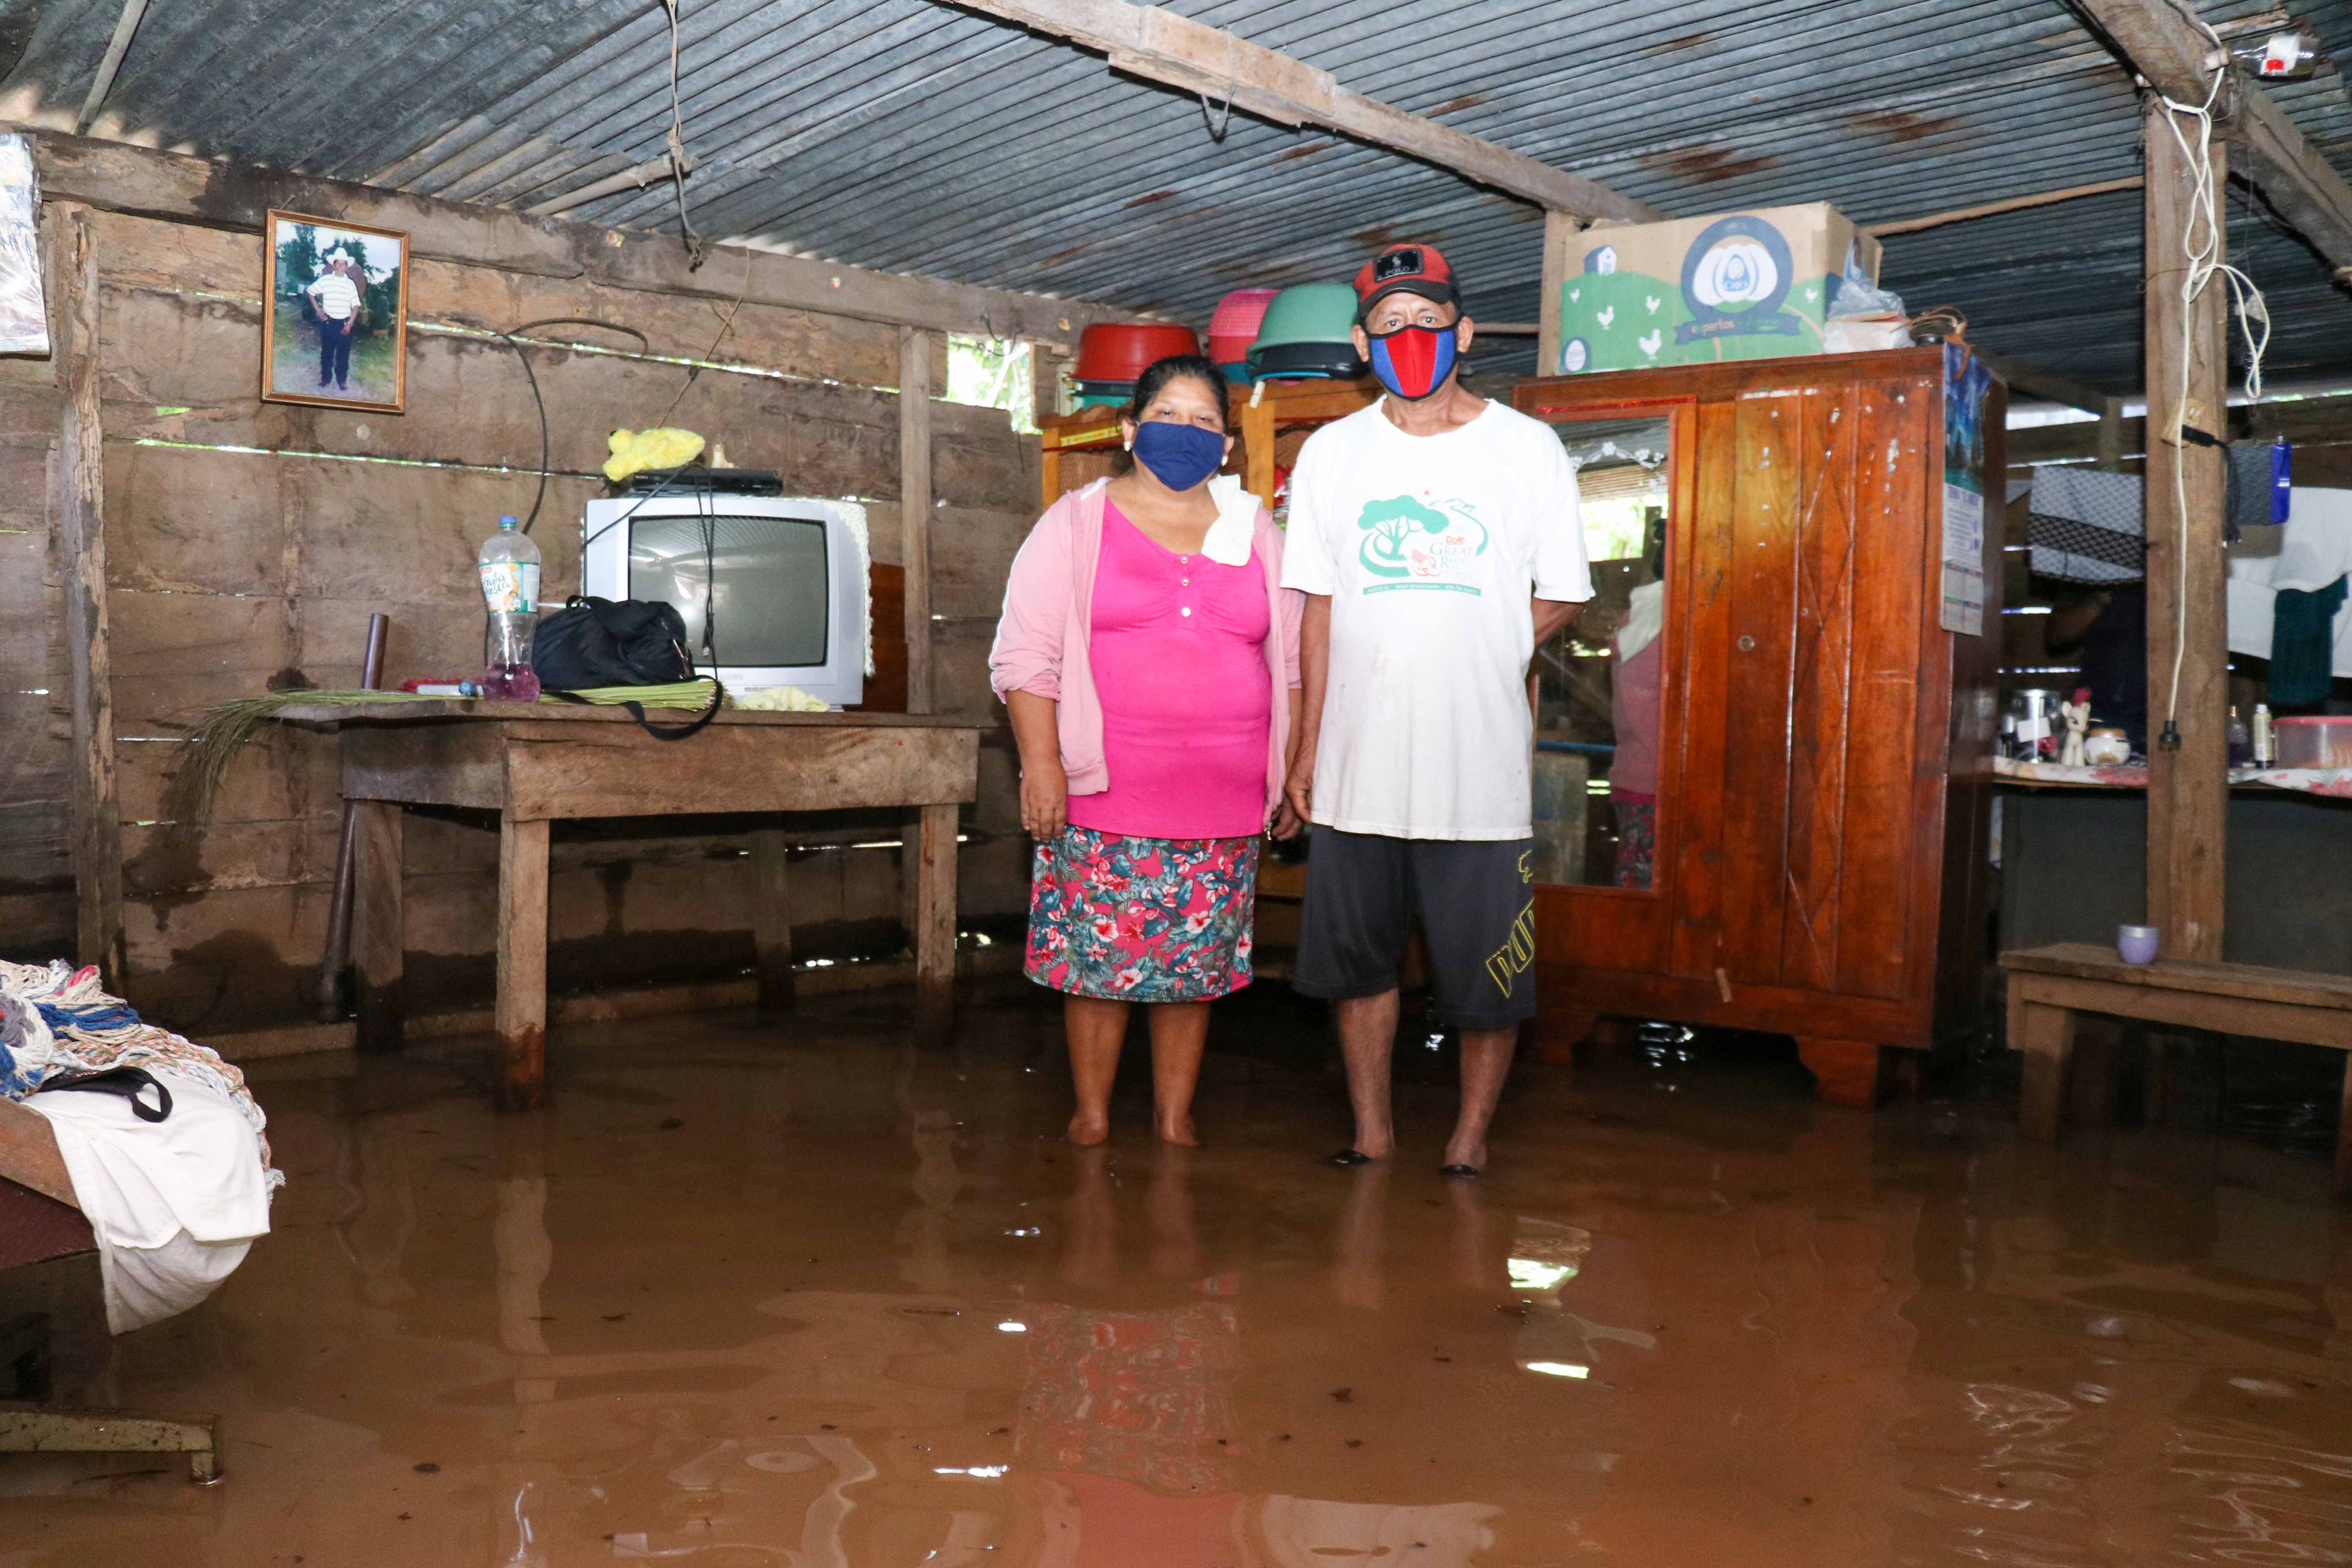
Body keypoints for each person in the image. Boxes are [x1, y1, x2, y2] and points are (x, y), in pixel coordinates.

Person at [1281, 242, 1592, 1178]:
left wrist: (1496, 645)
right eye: (1388, 324)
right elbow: (1319, 610)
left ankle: (1468, 1137)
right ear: (1359, 341)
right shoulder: (1334, 454)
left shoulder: (1527, 446)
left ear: (1462, 332)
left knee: (1487, 977)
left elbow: (1565, 589)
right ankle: (1372, 1130)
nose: (1409, 338)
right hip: (1355, 762)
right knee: (1358, 965)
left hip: (1479, 764)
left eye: (1426, 321)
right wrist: (1305, 748)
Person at [991, 355, 1303, 1147]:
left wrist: (1294, 773)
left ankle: (1174, 1118)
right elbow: (1026, 657)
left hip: (1224, 797)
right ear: (1129, 430)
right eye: (1168, 413)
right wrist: (1043, 765)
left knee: (1191, 972)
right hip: (1105, 790)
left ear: (1228, 446)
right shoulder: (1075, 521)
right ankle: (1091, 1114)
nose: (1185, 432)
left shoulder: (1256, 530)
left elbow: (1297, 662)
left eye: (1205, 421)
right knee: (1096, 964)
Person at [305, 252, 363, 393]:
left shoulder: (350, 285)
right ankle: (325, 379)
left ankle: (342, 380)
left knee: (343, 355)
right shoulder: (325, 281)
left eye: (344, 264)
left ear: (347, 267)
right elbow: (310, 292)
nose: (341, 267)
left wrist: (350, 324)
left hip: (345, 325)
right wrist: (318, 310)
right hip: (329, 323)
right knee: (327, 353)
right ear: (334, 265)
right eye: (338, 263)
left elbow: (356, 306)